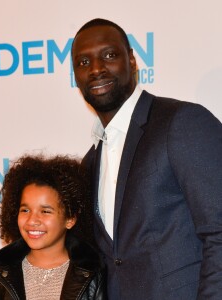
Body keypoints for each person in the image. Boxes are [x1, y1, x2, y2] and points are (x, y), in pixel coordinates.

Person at [71, 18, 222, 300]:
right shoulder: (90, 163)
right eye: (83, 63)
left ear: (132, 60)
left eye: (109, 55)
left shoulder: (181, 123)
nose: (96, 69)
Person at [0, 154, 107, 300]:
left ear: (70, 219)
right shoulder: (0, 272)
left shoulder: (91, 274)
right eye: (25, 210)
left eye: (45, 211)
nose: (32, 220)